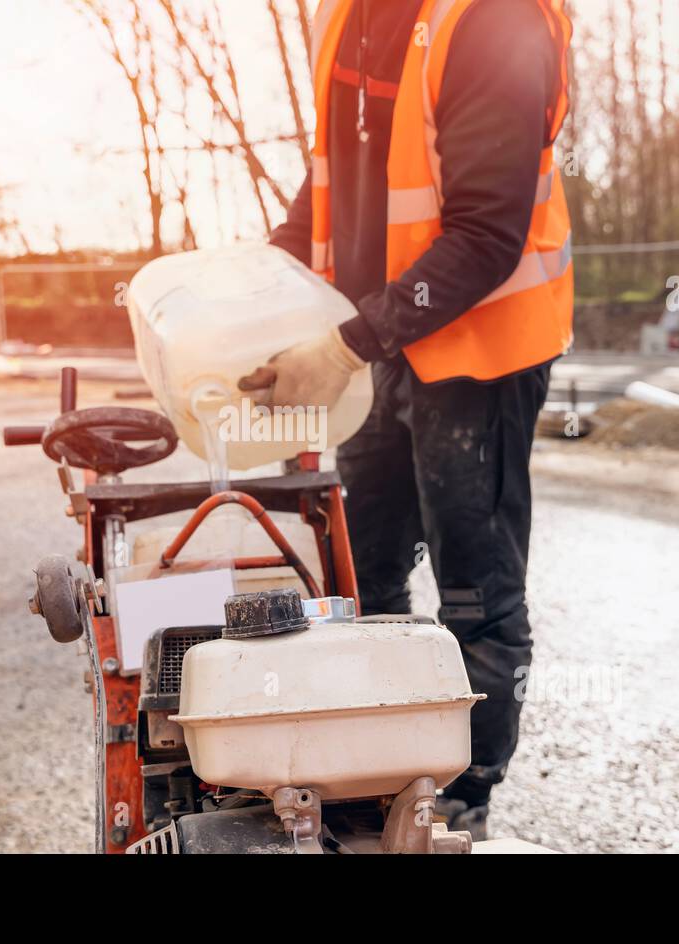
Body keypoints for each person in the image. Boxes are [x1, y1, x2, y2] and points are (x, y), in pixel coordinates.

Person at [240, 0, 574, 839]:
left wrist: (354, 342)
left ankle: (464, 795)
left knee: (474, 586)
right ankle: (378, 761)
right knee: (365, 569)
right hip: (378, 344)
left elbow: (487, 230)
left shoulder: (491, 20)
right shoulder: (351, 16)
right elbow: (332, 186)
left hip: (479, 352)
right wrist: (259, 275)